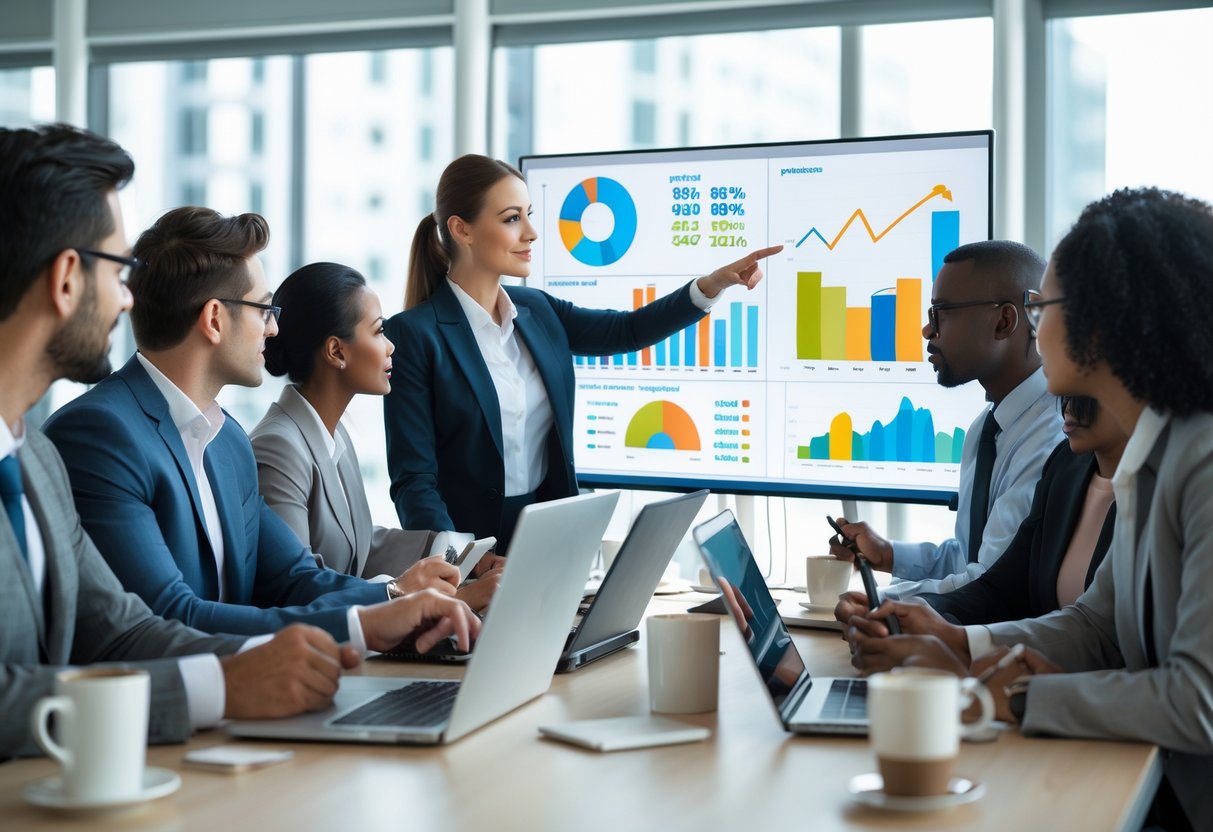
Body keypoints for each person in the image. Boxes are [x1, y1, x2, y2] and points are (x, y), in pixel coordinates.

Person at [0, 124, 477, 758]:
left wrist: (374, 617)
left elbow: (121, 631)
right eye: (117, 270)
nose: (125, 296)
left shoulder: (36, 453)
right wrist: (226, 686)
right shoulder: (91, 436)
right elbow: (168, 615)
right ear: (65, 279)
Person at [850, 188, 1213, 829]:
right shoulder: (1154, 454)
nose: (1035, 326)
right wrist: (959, 644)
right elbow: (1094, 626)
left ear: (1105, 325)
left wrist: (1015, 696)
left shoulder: (1201, 460)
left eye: (1044, 307)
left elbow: (1198, 701)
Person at [43, 206, 465, 645]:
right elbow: (169, 616)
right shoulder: (102, 435)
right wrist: (365, 624)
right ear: (213, 320)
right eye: (263, 310)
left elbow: (294, 577)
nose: (274, 328)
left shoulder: (228, 442)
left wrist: (397, 596)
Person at [384, 154, 781, 550]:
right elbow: (414, 482)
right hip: (466, 552)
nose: (532, 233)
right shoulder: (414, 335)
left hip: (548, 539)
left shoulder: (537, 310)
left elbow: (625, 331)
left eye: (529, 214)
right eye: (511, 218)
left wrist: (709, 286)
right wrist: (463, 562)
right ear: (461, 230)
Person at [251, 262, 504, 611]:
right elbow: (297, 586)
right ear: (337, 351)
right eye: (378, 332)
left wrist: (466, 557)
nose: (390, 347)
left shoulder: (335, 433)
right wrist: (449, 597)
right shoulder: (278, 447)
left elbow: (363, 546)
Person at [828, 240, 1063, 597]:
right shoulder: (985, 429)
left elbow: (989, 582)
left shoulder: (1052, 438)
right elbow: (973, 557)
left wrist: (880, 601)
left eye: (941, 312)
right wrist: (888, 553)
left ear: (1003, 322)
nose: (927, 331)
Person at [838, 395, 1123, 648]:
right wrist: (906, 612)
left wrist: (953, 638)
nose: (1063, 400)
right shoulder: (1066, 465)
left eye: (1082, 380)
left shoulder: (1052, 441)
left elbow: (1097, 634)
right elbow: (1002, 585)